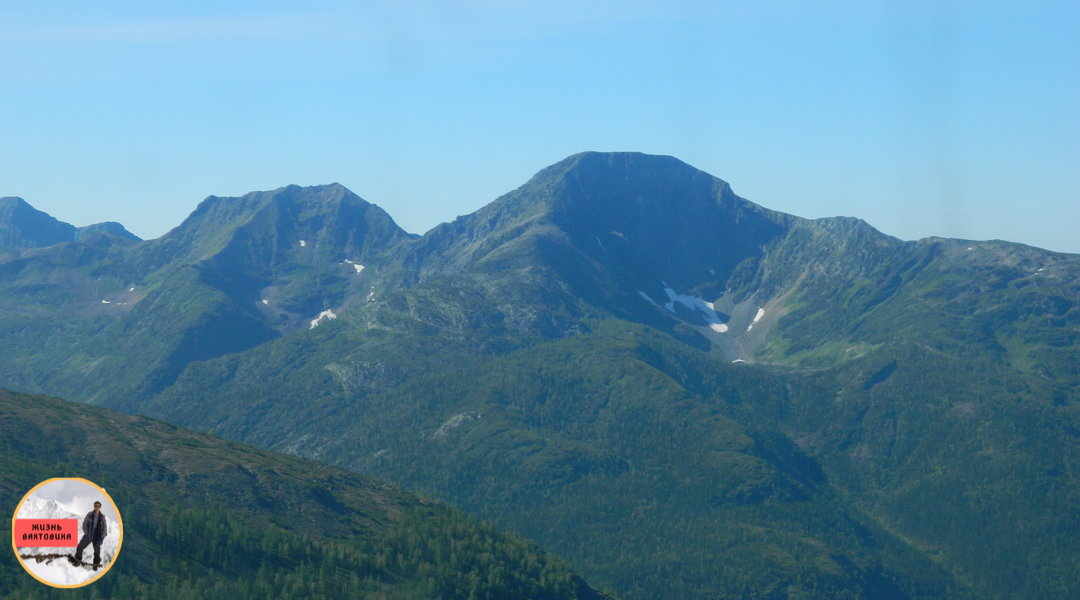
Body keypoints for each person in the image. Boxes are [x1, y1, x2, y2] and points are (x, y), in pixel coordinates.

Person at [74, 501, 107, 568]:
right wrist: (86, 533)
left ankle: (96, 565)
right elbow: (84, 524)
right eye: (95, 506)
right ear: (94, 506)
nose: (96, 507)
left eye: (98, 506)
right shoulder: (89, 515)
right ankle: (77, 561)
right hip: (89, 534)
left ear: (100, 507)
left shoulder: (102, 517)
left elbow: (105, 528)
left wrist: (102, 537)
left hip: (97, 536)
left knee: (97, 552)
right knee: (80, 547)